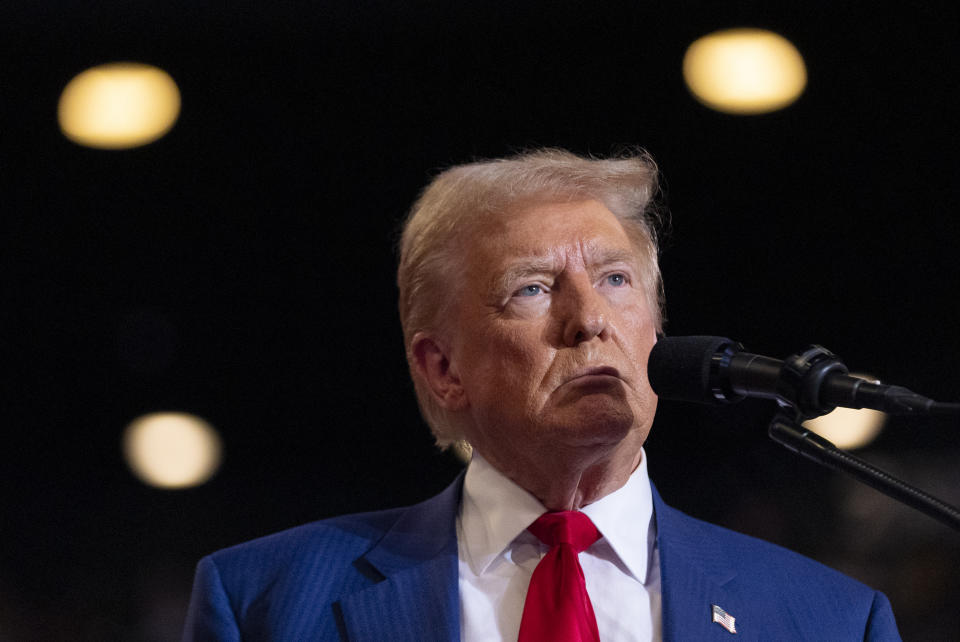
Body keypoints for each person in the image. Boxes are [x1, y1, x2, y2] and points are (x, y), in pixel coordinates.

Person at [183, 149, 901, 641]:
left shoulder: (830, 620)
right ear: (442, 369)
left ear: (654, 327)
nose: (590, 318)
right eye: (532, 288)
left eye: (616, 280)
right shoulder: (264, 602)